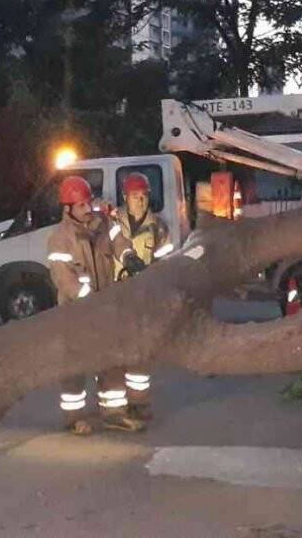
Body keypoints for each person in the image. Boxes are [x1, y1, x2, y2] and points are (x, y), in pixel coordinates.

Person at [46, 176, 148, 436]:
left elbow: (119, 242)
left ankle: (113, 414)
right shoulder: (60, 239)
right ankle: (74, 418)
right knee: (74, 368)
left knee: (112, 360)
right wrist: (90, 300)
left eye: (88, 202)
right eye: (80, 205)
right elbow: (64, 280)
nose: (87, 208)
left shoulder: (104, 225)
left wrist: (129, 257)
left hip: (103, 308)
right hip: (76, 313)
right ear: (68, 208)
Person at [111, 172, 173, 422]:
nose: (141, 200)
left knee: (140, 353)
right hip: (114, 296)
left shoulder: (159, 227)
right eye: (135, 195)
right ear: (126, 198)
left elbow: (165, 263)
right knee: (115, 352)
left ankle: (139, 403)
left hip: (142, 297)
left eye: (144, 195)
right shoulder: (113, 222)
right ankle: (115, 406)